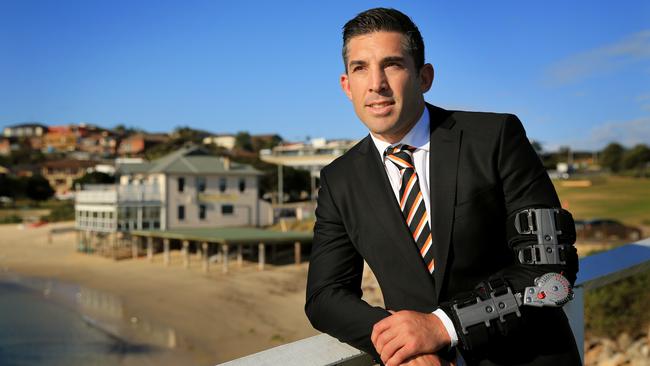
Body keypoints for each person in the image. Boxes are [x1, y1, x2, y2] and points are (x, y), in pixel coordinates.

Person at [305, 7, 581, 366]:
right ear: (347, 85)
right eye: (360, 68)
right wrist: (397, 339)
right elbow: (325, 296)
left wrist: (442, 326)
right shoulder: (338, 179)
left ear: (424, 77)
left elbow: (551, 275)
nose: (376, 84)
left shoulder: (495, 138)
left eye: (393, 64)